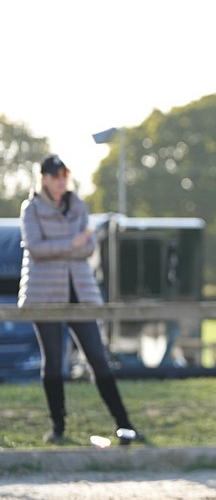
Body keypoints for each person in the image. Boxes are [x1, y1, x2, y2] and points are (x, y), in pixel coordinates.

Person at [19, 155, 140, 445]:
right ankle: (58, 428)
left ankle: (124, 426)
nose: (61, 180)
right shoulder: (31, 208)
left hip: (80, 293)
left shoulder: (78, 205)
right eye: (55, 175)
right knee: (53, 361)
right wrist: (70, 245)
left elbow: (88, 249)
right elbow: (35, 248)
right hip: (45, 295)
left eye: (64, 174)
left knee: (98, 357)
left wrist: (64, 247)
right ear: (44, 178)